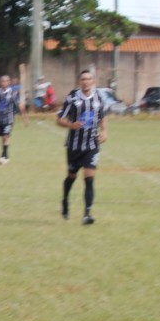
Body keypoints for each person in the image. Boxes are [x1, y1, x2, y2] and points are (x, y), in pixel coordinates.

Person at [56, 70, 108, 225]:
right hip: (74, 146)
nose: (86, 81)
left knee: (89, 179)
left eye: (88, 79)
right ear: (79, 82)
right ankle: (65, 201)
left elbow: (103, 116)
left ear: (93, 81)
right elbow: (59, 120)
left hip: (92, 145)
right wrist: (71, 125)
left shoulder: (99, 98)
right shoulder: (72, 98)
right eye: (83, 79)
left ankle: (87, 214)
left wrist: (104, 131)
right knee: (71, 177)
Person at [0, 74, 29, 164]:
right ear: (0, 82)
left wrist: (25, 118)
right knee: (3, 137)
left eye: (6, 81)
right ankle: (5, 155)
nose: (4, 83)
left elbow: (20, 106)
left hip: (9, 119)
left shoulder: (13, 93)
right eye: (2, 81)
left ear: (9, 82)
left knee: (6, 136)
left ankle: (4, 156)